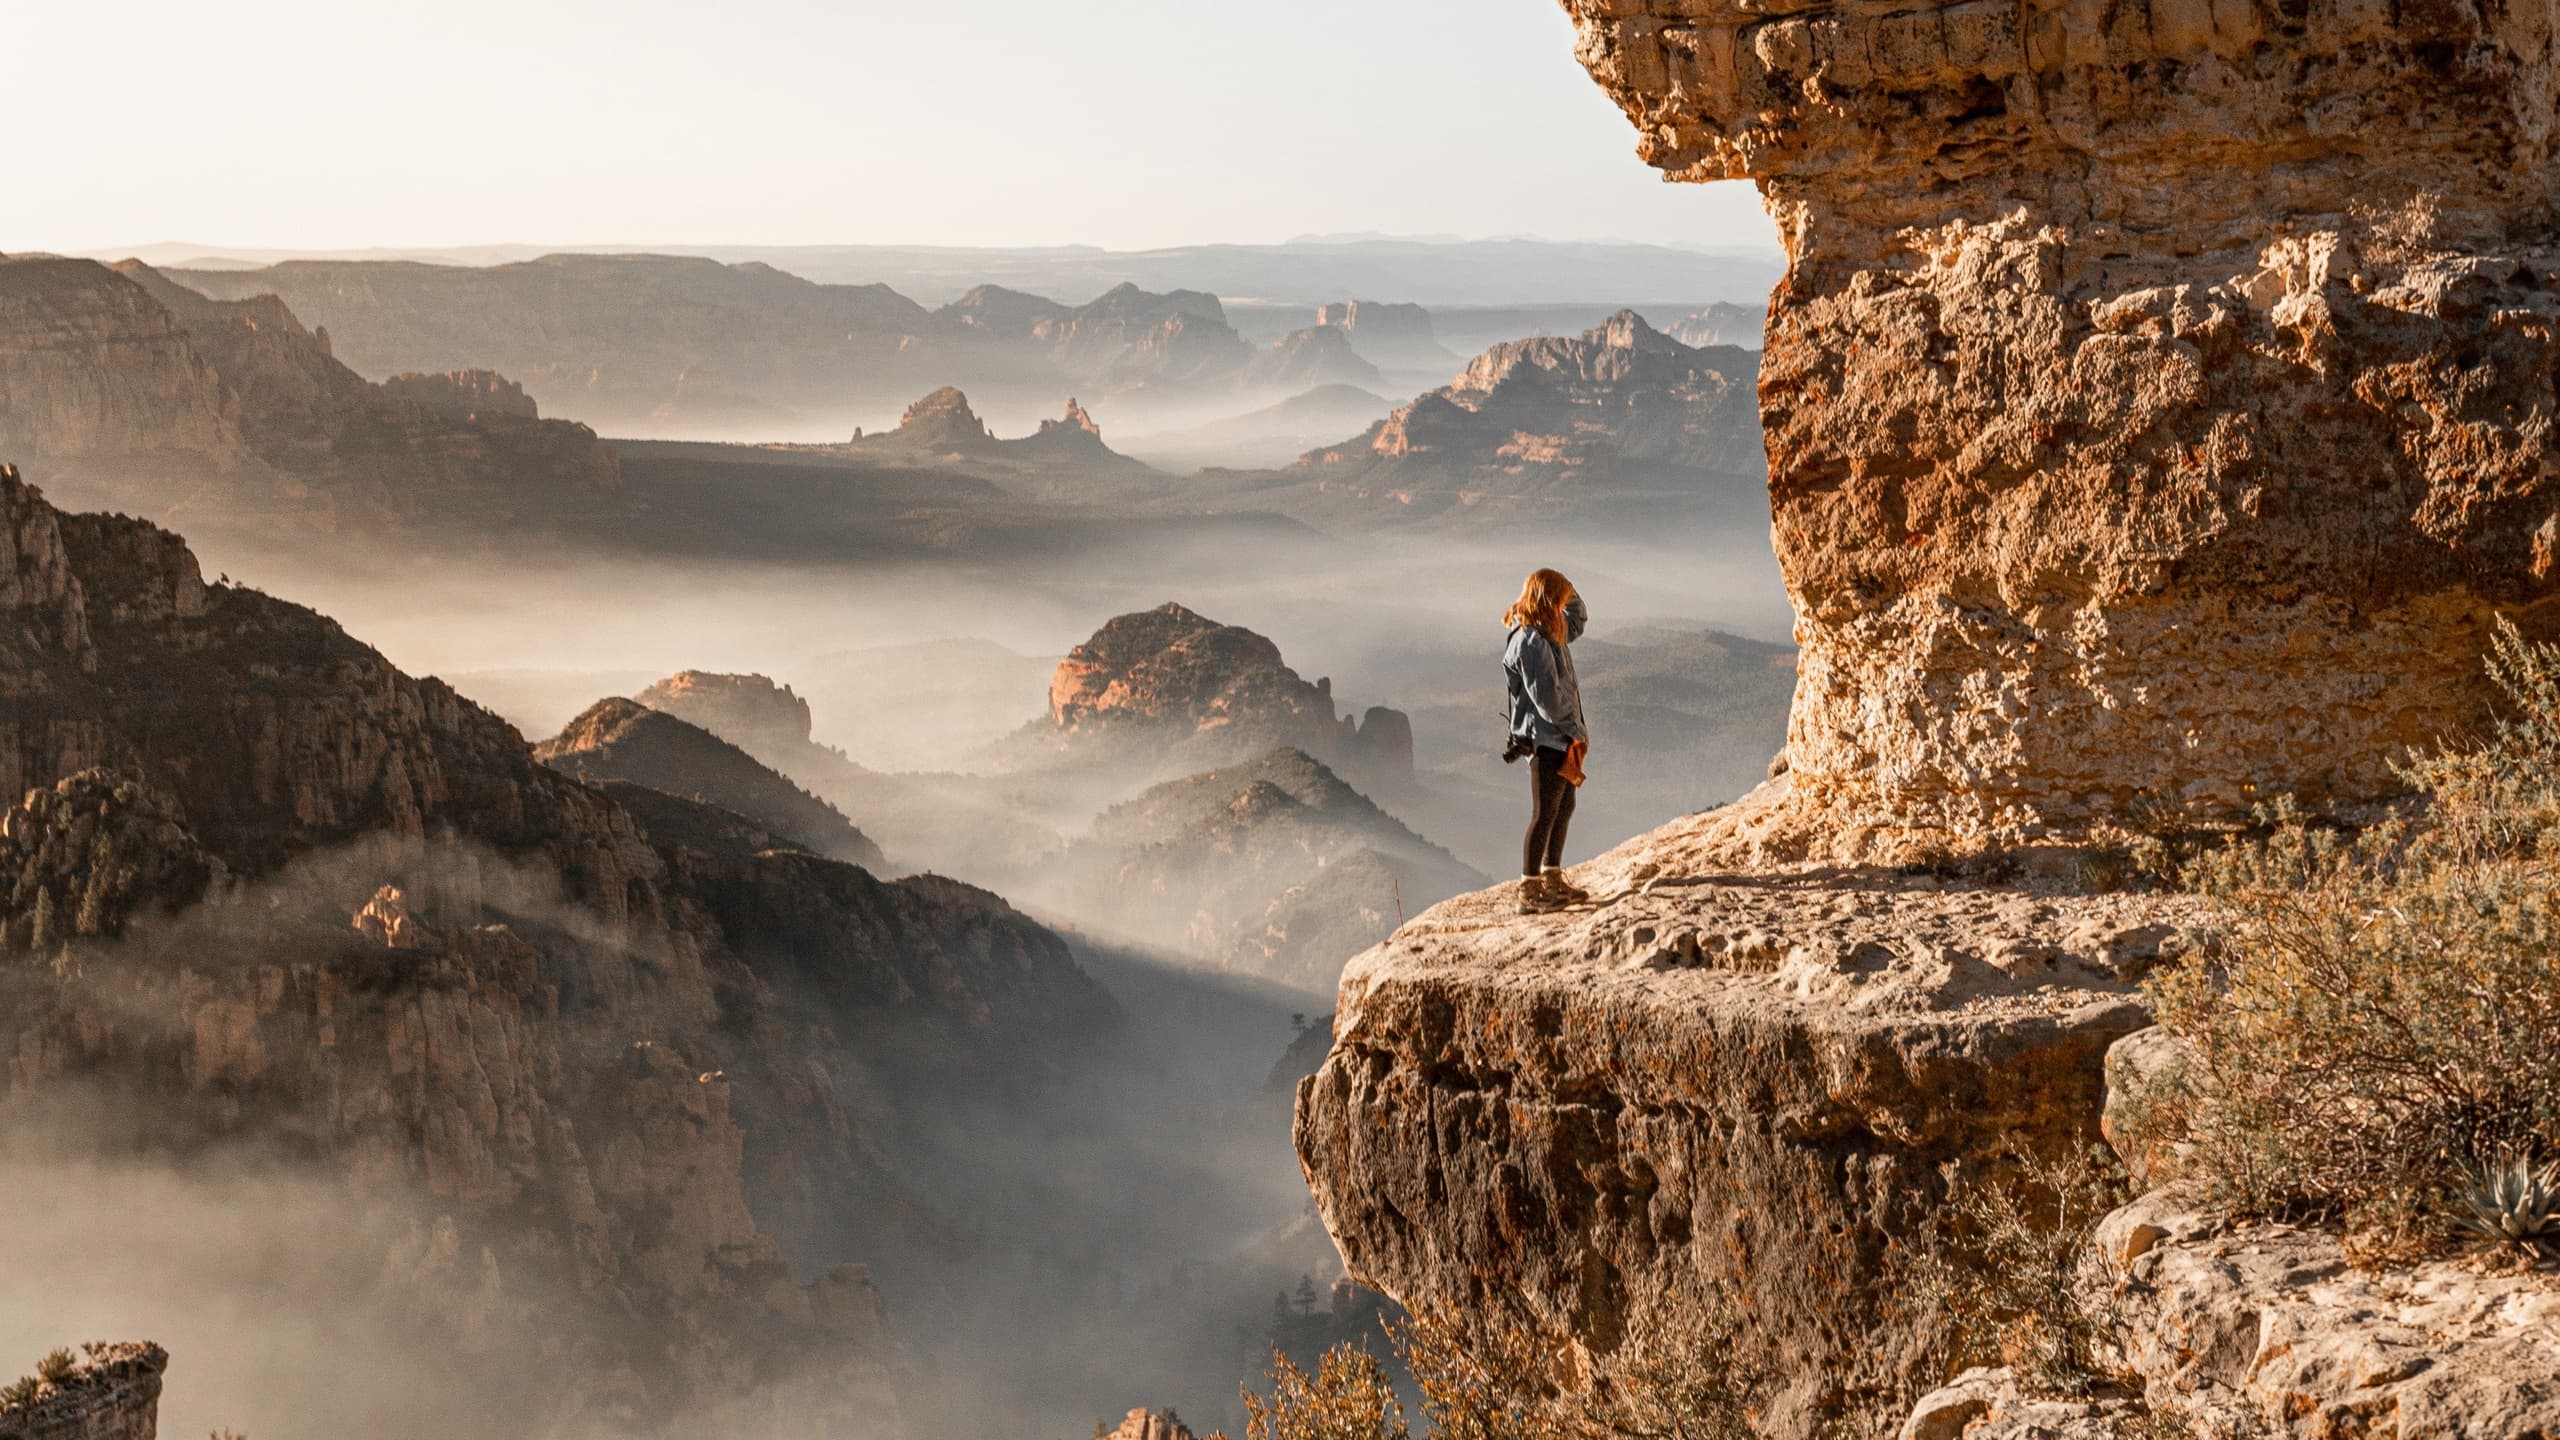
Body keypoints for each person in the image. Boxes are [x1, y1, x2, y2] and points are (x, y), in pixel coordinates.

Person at [1502, 568, 1590, 913]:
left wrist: (1569, 591)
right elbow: (1547, 700)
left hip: (1563, 736)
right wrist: (1575, 731)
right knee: (1544, 813)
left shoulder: (1551, 630)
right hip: (1546, 739)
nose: (1563, 607)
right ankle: (1530, 888)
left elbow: (1579, 619)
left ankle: (1552, 878)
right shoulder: (1531, 641)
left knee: (1563, 807)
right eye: (1559, 599)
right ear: (1548, 601)